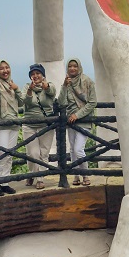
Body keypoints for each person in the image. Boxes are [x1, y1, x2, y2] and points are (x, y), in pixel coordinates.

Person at [57, 58, 97, 186]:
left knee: (78, 149)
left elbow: (92, 102)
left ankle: (85, 175)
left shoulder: (87, 81)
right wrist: (64, 86)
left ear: (79, 67)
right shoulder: (67, 83)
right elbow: (61, 103)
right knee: (73, 150)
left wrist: (78, 115)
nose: (72, 68)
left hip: (84, 120)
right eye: (70, 66)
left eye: (75, 66)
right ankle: (76, 176)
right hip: (70, 121)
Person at [0, 60, 25, 196]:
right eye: (2, 68)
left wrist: (16, 89)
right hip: (0, 124)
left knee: (9, 155)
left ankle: (4, 183)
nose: (5, 71)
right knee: (1, 155)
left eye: (7, 67)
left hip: (13, 122)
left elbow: (22, 102)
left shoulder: (11, 83)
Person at [22, 64, 56, 190]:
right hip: (29, 125)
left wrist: (45, 86)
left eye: (38, 73)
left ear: (43, 75)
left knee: (44, 152)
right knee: (32, 153)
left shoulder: (50, 85)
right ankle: (33, 173)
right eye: (33, 74)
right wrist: (30, 90)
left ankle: (40, 178)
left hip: (45, 125)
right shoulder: (26, 87)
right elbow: (27, 102)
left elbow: (52, 92)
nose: (35, 76)